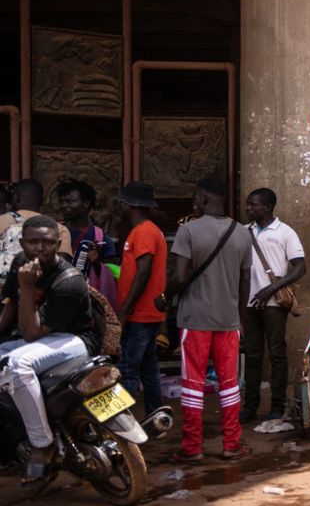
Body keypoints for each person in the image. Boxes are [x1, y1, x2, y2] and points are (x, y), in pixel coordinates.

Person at [0, 215, 100, 487]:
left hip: (74, 342)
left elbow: (32, 333)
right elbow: (11, 306)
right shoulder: (21, 264)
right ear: (22, 244)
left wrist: (26, 286)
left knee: (17, 365)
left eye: (47, 242)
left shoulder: (69, 280)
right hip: (41, 344)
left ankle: (42, 444)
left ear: (58, 244)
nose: (40, 248)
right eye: (33, 242)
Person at [167, 177, 254, 462]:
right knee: (229, 383)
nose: (194, 203)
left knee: (193, 384)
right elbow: (245, 281)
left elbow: (179, 277)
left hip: (194, 319)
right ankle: (232, 444)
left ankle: (192, 447)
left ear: (203, 199)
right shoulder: (242, 233)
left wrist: (165, 296)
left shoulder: (188, 231)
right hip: (228, 320)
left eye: (196, 198)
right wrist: (239, 317)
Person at [241, 187, 305, 422]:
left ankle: (277, 405)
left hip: (273, 304)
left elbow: (300, 267)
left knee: (277, 354)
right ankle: (250, 406)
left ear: (268, 207)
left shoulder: (285, 232)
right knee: (253, 355)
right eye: (248, 204)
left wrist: (271, 288)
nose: (249, 208)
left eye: (253, 205)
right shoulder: (244, 231)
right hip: (248, 302)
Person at [114, 181, 168, 414]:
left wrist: (125, 309)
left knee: (128, 369)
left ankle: (121, 425)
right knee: (148, 368)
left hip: (140, 313)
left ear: (130, 205)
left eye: (122, 202)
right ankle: (155, 416)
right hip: (146, 313)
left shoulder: (144, 231)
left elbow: (143, 270)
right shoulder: (148, 230)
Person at [56, 179, 121, 303]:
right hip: (59, 296)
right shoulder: (55, 231)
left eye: (70, 201)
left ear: (86, 203)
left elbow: (111, 276)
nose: (64, 206)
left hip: (89, 300)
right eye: (62, 201)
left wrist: (96, 262)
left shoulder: (100, 238)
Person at [1, 178, 72, 279]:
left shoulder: (1, 222)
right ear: (42, 201)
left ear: (15, 197)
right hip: (41, 291)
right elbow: (62, 268)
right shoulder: (59, 229)